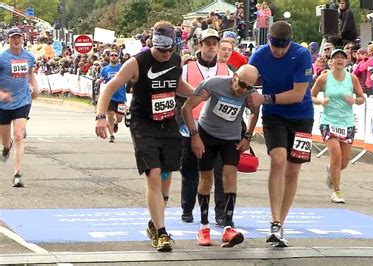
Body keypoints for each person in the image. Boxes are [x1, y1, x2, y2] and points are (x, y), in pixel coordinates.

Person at [95, 21, 195, 252]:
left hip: (169, 123)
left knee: (167, 177)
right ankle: (161, 232)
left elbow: (178, 84)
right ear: (153, 44)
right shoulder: (136, 63)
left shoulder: (176, 60)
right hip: (143, 125)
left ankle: (155, 221)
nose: (165, 54)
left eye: (169, 50)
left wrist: (202, 93)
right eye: (161, 49)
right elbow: (109, 88)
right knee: (154, 174)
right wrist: (100, 116)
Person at [247, 21, 314, 248]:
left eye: (283, 48)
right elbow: (247, 83)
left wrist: (265, 98)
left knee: (293, 169)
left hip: (302, 115)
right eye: (275, 47)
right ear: (269, 41)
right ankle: (274, 221)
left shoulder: (302, 55)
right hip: (274, 116)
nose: (279, 51)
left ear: (290, 44)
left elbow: (298, 94)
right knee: (278, 159)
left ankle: (281, 224)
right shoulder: (259, 55)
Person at [182, 64, 259, 247]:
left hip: (230, 138)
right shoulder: (214, 83)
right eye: (241, 84)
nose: (243, 90)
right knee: (206, 178)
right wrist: (195, 136)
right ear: (234, 77)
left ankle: (228, 226)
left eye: (249, 87)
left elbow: (255, 113)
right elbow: (187, 108)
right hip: (207, 134)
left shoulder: (249, 94)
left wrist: (248, 136)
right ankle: (204, 226)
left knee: (230, 176)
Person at [177, 28, 233, 226]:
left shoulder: (227, 70)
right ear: (200, 46)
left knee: (218, 172)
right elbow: (178, 96)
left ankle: (220, 213)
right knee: (190, 169)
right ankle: (187, 208)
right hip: (192, 125)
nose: (211, 47)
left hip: (218, 129)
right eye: (207, 44)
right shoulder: (187, 68)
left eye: (214, 44)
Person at [311, 49, 365, 203]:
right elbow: (311, 95)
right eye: (336, 58)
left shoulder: (352, 78)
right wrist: (321, 101)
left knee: (344, 162)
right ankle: (337, 191)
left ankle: (331, 171)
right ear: (331, 61)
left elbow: (362, 98)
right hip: (329, 121)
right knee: (336, 154)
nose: (340, 60)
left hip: (347, 122)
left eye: (342, 57)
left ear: (346, 61)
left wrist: (354, 100)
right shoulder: (324, 78)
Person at [0, 28, 39, 188]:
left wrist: (35, 87)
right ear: (8, 40)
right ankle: (6, 147)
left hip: (22, 100)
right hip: (4, 103)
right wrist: (2, 93)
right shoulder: (2, 58)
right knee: (6, 139)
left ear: (23, 39)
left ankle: (17, 174)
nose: (17, 40)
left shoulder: (29, 56)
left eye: (19, 37)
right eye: (13, 38)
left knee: (18, 136)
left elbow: (30, 74)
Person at [96, 50, 127, 143]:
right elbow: (102, 78)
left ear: (118, 57)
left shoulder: (123, 68)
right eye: (112, 55)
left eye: (115, 55)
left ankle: (116, 123)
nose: (114, 57)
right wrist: (99, 80)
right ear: (109, 57)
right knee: (110, 114)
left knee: (120, 118)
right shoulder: (105, 69)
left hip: (121, 96)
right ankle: (111, 135)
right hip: (110, 96)